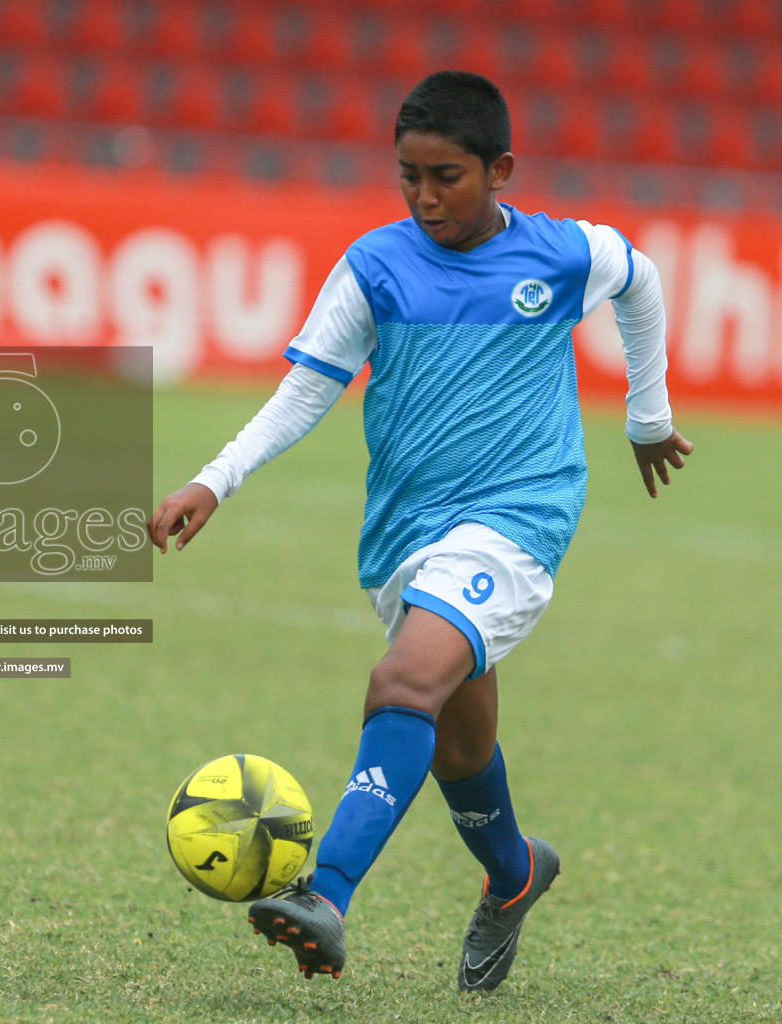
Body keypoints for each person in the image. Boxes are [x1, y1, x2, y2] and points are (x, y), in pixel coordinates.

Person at [149, 71, 693, 991]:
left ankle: (325, 895)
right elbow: (308, 390)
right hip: (407, 532)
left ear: (501, 170)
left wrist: (648, 415)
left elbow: (639, 283)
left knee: (403, 681)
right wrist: (214, 479)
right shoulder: (374, 266)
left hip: (521, 513)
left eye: (447, 176)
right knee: (460, 744)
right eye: (409, 176)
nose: (425, 196)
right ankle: (516, 874)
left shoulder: (562, 255)